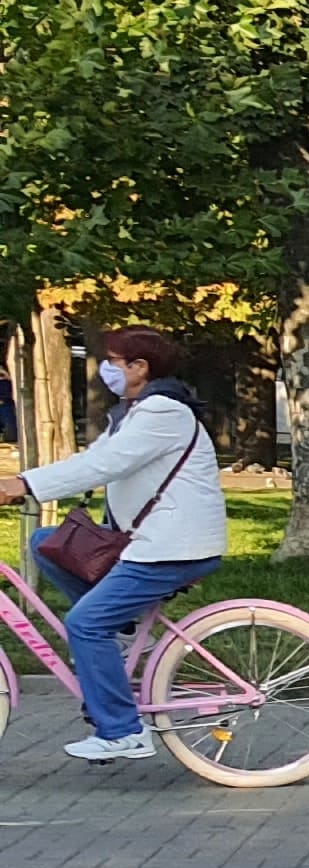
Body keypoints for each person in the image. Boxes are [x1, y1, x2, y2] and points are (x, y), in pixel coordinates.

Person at [0, 326, 228, 763]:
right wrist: (26, 483)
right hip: (147, 541)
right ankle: (121, 631)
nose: (106, 369)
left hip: (172, 548)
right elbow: (89, 462)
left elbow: (105, 465)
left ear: (140, 367)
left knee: (85, 624)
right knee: (47, 541)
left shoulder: (163, 412)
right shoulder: (137, 409)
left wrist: (22, 484)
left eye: (114, 361)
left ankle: (123, 731)